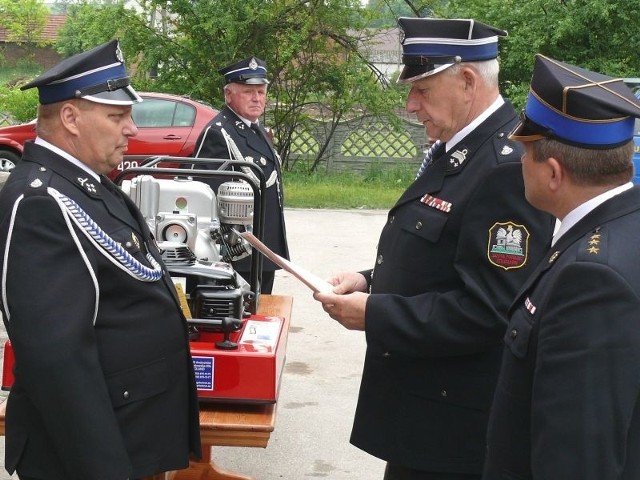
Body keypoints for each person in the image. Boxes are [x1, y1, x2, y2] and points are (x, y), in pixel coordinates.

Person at [313, 17, 555, 480]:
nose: (410, 105)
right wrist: (370, 280)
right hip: (425, 416)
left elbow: (490, 310)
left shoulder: (504, 167)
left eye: (422, 89)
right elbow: (444, 259)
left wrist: (376, 313)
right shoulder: (458, 149)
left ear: (467, 81)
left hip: (454, 431)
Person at [0, 40, 201, 479]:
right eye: (117, 116)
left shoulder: (86, 183)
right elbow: (58, 360)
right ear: (70, 118)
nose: (130, 128)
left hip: (131, 432)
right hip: (93, 454)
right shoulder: (41, 201)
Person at [483, 54, 640, 480]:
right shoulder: (624, 225)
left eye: (526, 152)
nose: (518, 162)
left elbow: (576, 459)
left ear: (553, 173)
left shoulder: (591, 278)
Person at [192, 56, 288, 295]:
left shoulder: (257, 129)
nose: (257, 98)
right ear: (228, 94)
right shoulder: (219, 133)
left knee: (261, 316)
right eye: (248, 92)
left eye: (261, 91)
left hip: (264, 249)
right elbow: (204, 199)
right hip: (239, 254)